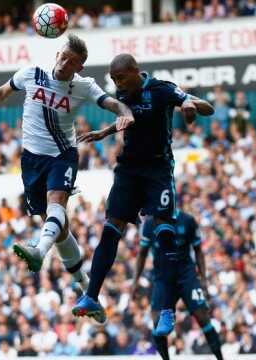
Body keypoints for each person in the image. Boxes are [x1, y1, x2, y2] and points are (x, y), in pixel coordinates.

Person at [0, 34, 134, 309]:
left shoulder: (84, 86)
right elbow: (0, 93)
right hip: (31, 160)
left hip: (62, 155)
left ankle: (38, 250)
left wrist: (125, 111)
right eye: (63, 56)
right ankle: (85, 286)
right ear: (58, 52)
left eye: (72, 62)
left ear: (78, 68)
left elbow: (111, 103)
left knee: (56, 205)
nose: (64, 63)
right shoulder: (31, 74)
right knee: (59, 229)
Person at [72, 53, 214, 326]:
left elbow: (206, 108)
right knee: (111, 229)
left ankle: (167, 309)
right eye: (114, 79)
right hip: (128, 171)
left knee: (164, 235)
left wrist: (189, 104)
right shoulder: (122, 95)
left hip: (158, 171)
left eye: (121, 77)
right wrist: (105, 133)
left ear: (136, 71)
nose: (117, 83)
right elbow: (131, 118)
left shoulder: (162, 89)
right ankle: (91, 296)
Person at [133, 210, 223, 360]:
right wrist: (135, 281)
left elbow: (198, 250)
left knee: (202, 317)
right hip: (162, 278)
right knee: (157, 323)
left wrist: (204, 279)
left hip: (186, 275)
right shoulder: (149, 224)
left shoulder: (187, 220)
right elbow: (142, 253)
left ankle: (220, 358)